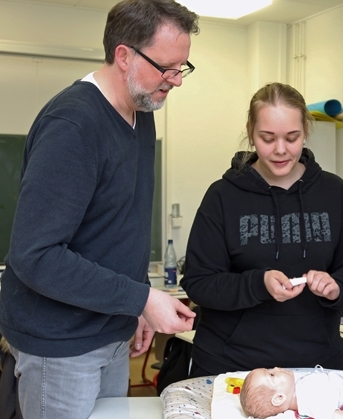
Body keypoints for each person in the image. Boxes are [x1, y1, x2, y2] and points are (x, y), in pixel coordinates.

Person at [0, 1, 199, 417]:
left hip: (110, 334)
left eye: (183, 67)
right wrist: (140, 298)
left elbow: (118, 229)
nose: (176, 80)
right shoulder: (73, 125)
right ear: (123, 55)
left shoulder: (142, 112)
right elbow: (35, 256)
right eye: (166, 67)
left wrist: (135, 306)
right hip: (62, 348)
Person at [181, 82, 343, 377]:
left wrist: (337, 287)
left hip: (316, 365)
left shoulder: (333, 193)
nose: (280, 150)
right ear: (250, 132)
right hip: (231, 366)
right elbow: (199, 282)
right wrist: (259, 284)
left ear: (305, 132)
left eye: (291, 138)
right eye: (267, 138)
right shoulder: (222, 196)